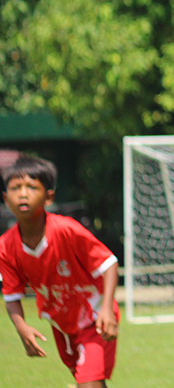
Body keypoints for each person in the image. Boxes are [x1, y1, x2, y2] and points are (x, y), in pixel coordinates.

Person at [1, 155, 120, 388]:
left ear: (49, 197)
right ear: (5, 198)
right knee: (90, 381)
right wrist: (22, 327)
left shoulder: (66, 230)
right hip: (62, 325)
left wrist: (107, 309)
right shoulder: (6, 246)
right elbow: (12, 295)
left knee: (89, 382)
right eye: (15, 188)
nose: (23, 194)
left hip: (95, 318)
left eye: (32, 187)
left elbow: (108, 263)